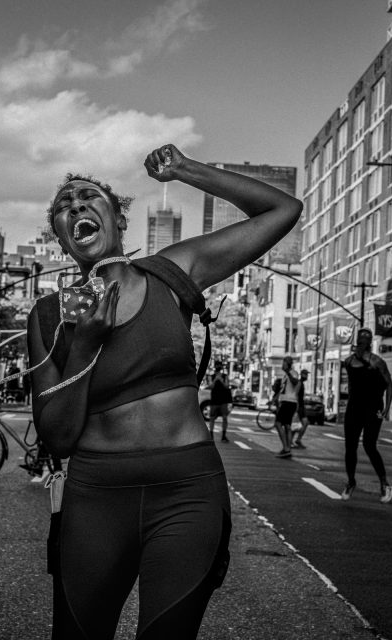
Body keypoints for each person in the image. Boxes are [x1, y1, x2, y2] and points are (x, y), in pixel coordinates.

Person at [27, 143, 302, 639]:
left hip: (186, 493)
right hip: (94, 497)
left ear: (118, 219)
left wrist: (186, 169)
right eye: (64, 205)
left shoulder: (171, 272)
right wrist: (84, 344)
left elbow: (282, 210)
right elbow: (57, 437)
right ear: (62, 240)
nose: (76, 205)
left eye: (89, 197)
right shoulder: (48, 316)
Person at [340, 328, 392, 503]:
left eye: (365, 340)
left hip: (373, 407)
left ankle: (384, 483)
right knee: (350, 447)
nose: (362, 343)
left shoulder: (377, 362)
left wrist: (387, 407)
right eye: (360, 340)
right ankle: (351, 482)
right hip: (354, 407)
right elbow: (352, 384)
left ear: (370, 343)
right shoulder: (348, 362)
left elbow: (389, 385)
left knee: (369, 445)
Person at [271, 356, 300, 458]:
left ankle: (286, 448)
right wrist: (275, 399)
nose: (282, 365)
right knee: (287, 426)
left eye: (284, 363)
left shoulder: (293, 373)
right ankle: (287, 449)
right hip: (285, 401)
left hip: (289, 402)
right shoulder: (285, 376)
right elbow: (282, 390)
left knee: (278, 423)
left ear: (288, 364)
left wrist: (288, 372)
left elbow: (295, 382)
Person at [208, 369, 233, 442]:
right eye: (217, 370)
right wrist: (215, 379)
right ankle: (211, 435)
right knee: (212, 418)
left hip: (223, 400)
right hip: (214, 400)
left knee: (224, 418)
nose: (218, 372)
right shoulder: (211, 376)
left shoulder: (225, 376)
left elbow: (227, 386)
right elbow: (211, 386)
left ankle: (223, 436)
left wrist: (221, 380)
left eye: (219, 370)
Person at [291, 369, 310, 449]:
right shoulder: (299, 383)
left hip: (301, 406)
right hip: (299, 407)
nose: (307, 376)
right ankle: (297, 440)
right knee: (304, 423)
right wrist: (297, 406)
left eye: (307, 375)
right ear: (302, 375)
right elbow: (295, 394)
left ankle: (292, 440)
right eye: (306, 374)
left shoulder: (301, 383)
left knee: (297, 425)